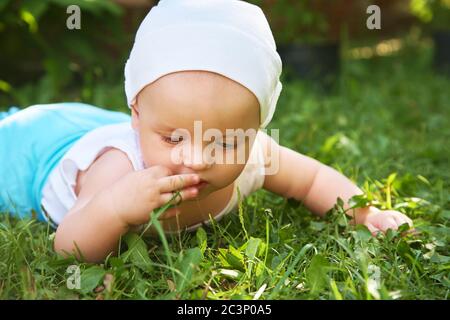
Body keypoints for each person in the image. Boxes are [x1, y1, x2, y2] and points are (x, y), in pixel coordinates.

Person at [0, 0, 413, 263]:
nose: (196, 159)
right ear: (137, 117)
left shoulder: (255, 157)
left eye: (226, 141)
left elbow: (312, 179)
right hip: (34, 152)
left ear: (255, 131)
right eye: (174, 138)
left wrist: (367, 214)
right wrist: (113, 209)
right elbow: (67, 245)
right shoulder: (119, 169)